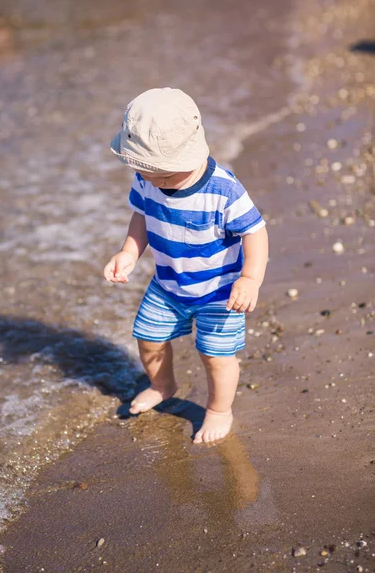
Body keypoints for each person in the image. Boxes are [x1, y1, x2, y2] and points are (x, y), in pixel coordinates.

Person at [104, 88, 268, 444]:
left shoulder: (224, 191)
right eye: (143, 172)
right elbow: (141, 215)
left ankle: (218, 410)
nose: (151, 181)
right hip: (168, 284)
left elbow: (255, 232)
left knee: (215, 356)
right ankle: (162, 386)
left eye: (160, 176)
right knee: (147, 338)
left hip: (219, 292)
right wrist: (128, 253)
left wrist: (250, 278)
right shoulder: (147, 178)